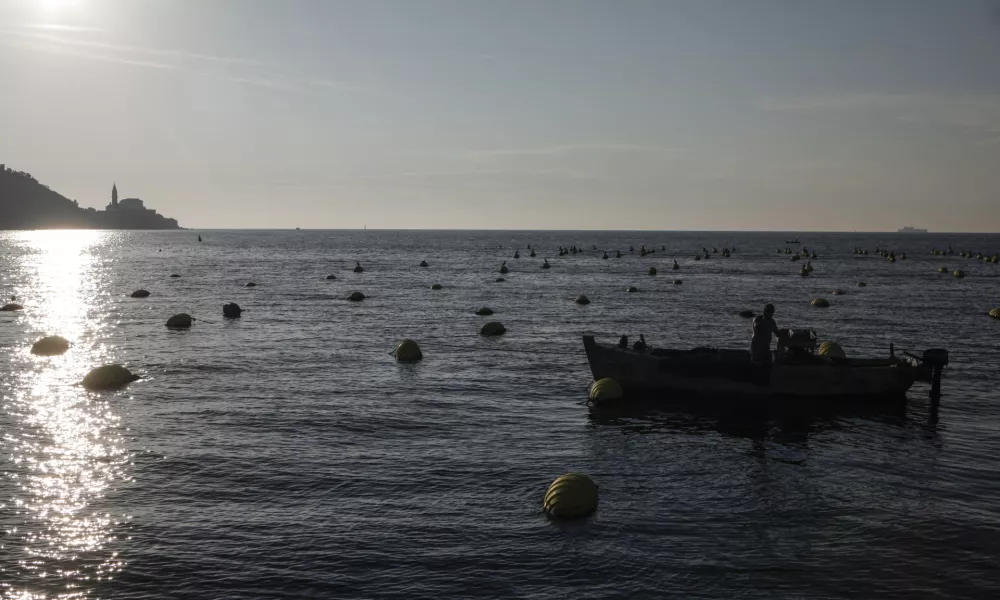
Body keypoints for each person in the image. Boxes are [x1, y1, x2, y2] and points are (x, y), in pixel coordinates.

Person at [751, 304, 782, 372]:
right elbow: (758, 328)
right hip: (759, 348)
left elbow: (777, 333)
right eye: (771, 313)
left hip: (761, 348)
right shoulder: (760, 320)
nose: (771, 315)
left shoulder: (769, 321)